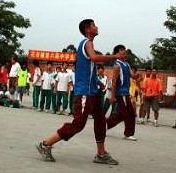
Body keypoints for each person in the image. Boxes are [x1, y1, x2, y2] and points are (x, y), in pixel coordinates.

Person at [36, 19, 122, 165]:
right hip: (84, 93)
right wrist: (114, 56)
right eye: (94, 25)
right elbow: (95, 58)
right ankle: (45, 144)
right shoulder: (86, 42)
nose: (97, 27)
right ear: (88, 30)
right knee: (78, 124)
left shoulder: (89, 44)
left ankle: (101, 154)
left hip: (92, 92)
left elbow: (89, 69)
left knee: (101, 121)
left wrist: (98, 83)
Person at [106, 44, 137, 141]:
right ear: (116, 53)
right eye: (121, 50)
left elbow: (132, 76)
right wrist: (112, 96)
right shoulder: (117, 66)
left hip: (126, 93)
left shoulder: (127, 65)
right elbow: (114, 81)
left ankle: (105, 125)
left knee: (121, 114)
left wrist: (137, 76)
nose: (124, 51)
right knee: (129, 113)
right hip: (121, 94)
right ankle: (128, 134)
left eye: (124, 49)